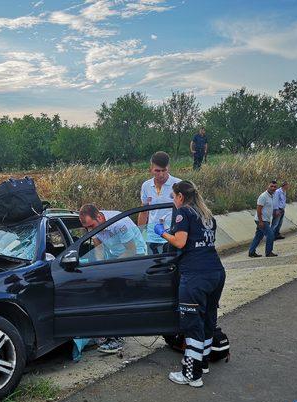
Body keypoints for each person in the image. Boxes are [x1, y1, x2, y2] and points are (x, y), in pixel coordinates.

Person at [154, 181, 225, 387]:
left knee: (192, 324)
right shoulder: (206, 215)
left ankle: (191, 375)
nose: (173, 201)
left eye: (173, 197)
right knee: (207, 319)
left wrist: (162, 232)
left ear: (180, 197)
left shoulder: (183, 213)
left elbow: (180, 242)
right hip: (216, 273)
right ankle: (201, 363)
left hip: (195, 276)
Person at [79, 204, 147, 353]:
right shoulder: (94, 226)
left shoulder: (119, 222)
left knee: (117, 297)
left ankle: (117, 339)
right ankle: (110, 333)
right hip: (115, 256)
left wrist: (110, 267)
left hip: (135, 255)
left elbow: (131, 250)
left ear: (99, 217)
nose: (90, 230)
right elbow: (99, 250)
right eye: (87, 228)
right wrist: (99, 267)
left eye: (91, 226)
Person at [137, 151, 181, 254]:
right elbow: (144, 211)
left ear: (168, 167)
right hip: (152, 236)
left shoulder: (178, 184)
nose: (161, 174)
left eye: (164, 170)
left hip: (172, 235)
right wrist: (140, 234)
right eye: (157, 171)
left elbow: (186, 211)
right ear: (151, 168)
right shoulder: (146, 186)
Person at [248, 181, 278, 258]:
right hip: (261, 220)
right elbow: (258, 209)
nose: (273, 188)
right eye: (271, 186)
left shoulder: (271, 196)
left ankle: (251, 252)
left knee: (258, 236)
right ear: (267, 186)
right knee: (270, 235)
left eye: (275, 187)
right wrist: (261, 221)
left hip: (266, 219)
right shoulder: (263, 196)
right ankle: (268, 252)